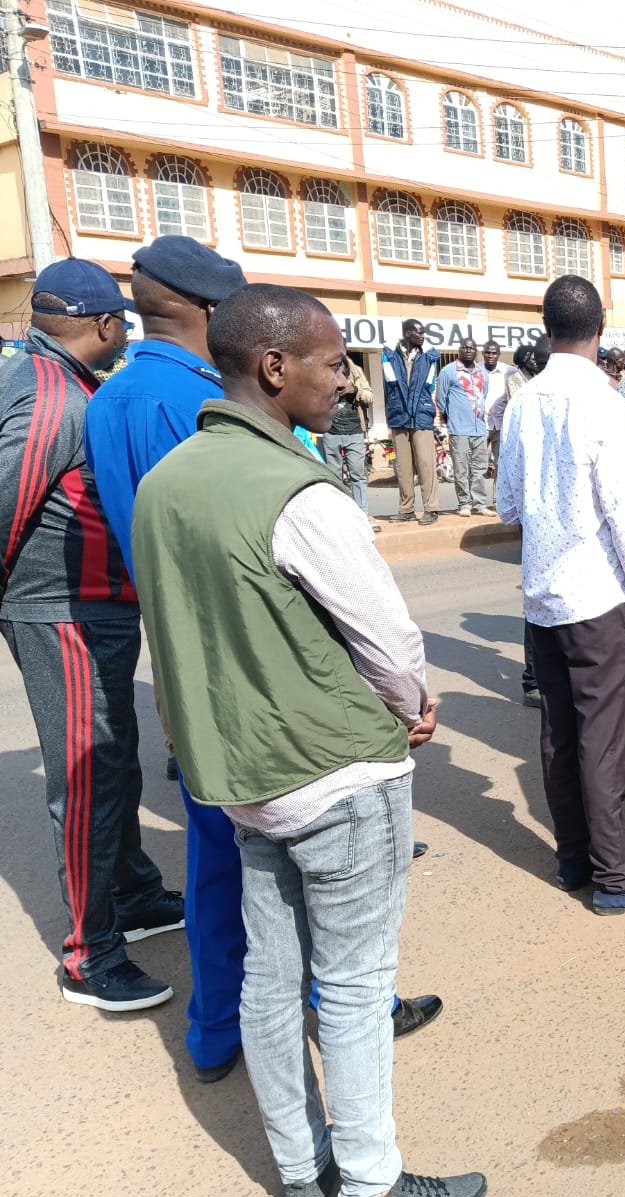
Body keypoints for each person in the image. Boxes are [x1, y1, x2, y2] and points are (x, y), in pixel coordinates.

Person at [133, 284, 484, 1197]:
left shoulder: (166, 482)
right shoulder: (299, 489)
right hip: (335, 773)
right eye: (332, 364)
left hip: (241, 779)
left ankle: (302, 1172)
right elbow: (389, 640)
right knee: (359, 990)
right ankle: (369, 1183)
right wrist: (413, 703)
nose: (346, 383)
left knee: (273, 985)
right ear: (274, 366)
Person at [84, 239, 439, 1085]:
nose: (340, 378)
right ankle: (346, 1014)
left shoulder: (109, 400)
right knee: (307, 893)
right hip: (269, 683)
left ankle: (214, 1034)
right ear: (225, 324)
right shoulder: (209, 408)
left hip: (187, 670)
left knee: (218, 869)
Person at [0, 258, 180, 1011]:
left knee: (113, 764)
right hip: (63, 609)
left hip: (92, 607)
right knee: (84, 779)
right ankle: (89, 956)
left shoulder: (62, 382)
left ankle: (131, 894)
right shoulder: (49, 397)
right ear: (106, 325)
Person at [496, 275, 625, 914]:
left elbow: (508, 506)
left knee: (559, 734)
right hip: (596, 597)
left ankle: (574, 857)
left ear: (545, 327)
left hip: (542, 597)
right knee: (602, 741)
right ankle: (619, 878)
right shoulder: (604, 401)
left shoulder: (524, 400)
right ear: (602, 330)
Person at [507, 335, 552, 709]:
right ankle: (533, 680)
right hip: (541, 525)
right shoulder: (523, 402)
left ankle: (543, 678)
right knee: (537, 608)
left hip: (548, 524)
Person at [382, 319, 441, 526]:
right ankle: (406, 509)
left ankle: (431, 508)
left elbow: (428, 385)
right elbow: (389, 386)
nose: (423, 336)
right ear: (408, 334)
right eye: (419, 333)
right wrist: (396, 407)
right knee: (403, 466)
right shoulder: (388, 354)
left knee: (426, 464)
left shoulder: (429, 356)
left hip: (421, 415)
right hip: (399, 415)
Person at [437, 338, 491, 515]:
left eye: (472, 348)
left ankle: (480, 504)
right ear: (459, 350)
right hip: (459, 429)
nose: (468, 350)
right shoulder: (448, 371)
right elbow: (441, 400)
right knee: (461, 469)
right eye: (465, 347)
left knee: (480, 469)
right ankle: (464, 504)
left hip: (479, 429)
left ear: (476, 351)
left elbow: (483, 395)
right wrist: (451, 420)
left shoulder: (482, 372)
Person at [325, 351, 374, 530]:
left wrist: (355, 390)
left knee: (358, 475)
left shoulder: (356, 371)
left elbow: (370, 396)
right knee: (333, 476)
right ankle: (337, 516)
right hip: (330, 431)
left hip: (354, 430)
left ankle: (362, 514)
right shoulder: (323, 370)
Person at [482, 340, 515, 476]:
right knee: (477, 466)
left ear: (499, 354)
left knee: (501, 466)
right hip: (481, 425)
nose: (490, 356)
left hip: (501, 426)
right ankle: (477, 497)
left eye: (494, 353)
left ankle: (497, 497)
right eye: (488, 353)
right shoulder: (476, 370)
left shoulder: (509, 371)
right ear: (483, 354)